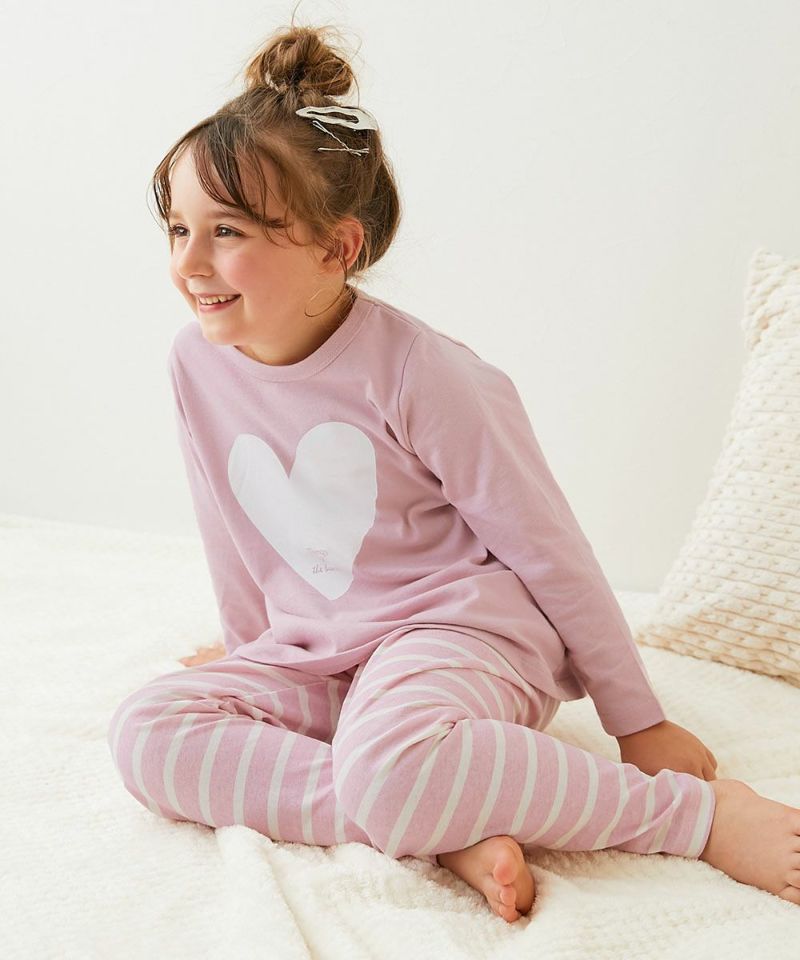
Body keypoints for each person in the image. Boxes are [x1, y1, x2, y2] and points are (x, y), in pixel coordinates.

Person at [107, 16, 800, 924]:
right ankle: (442, 819)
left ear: (338, 248)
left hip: (461, 631)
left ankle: (697, 821)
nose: (190, 263)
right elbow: (230, 525)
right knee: (147, 733)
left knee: (393, 764)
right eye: (177, 229)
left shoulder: (424, 374)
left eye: (226, 231)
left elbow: (550, 549)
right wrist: (253, 649)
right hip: (327, 647)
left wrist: (638, 720)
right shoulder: (195, 362)